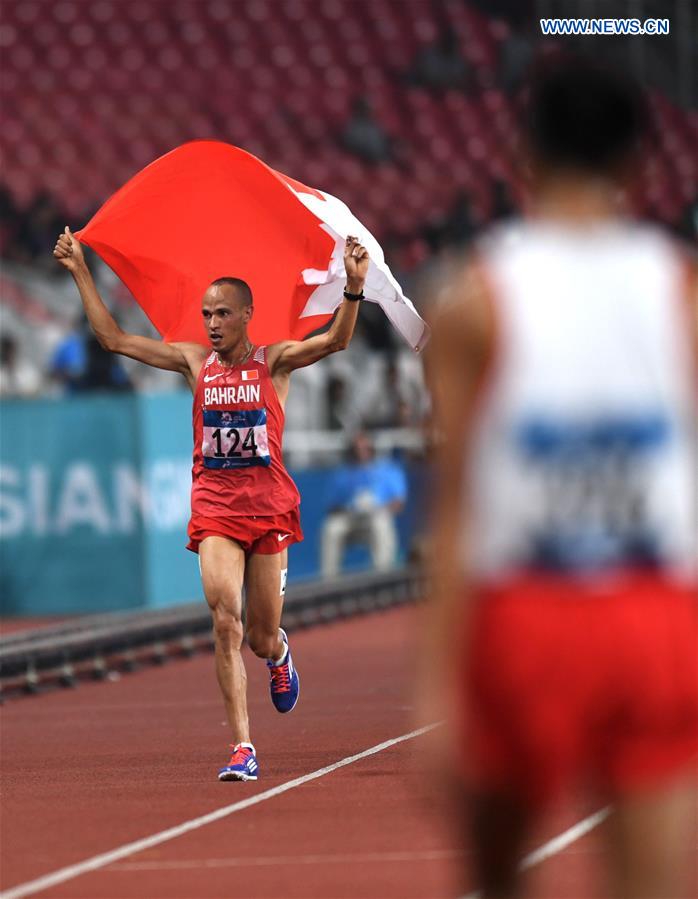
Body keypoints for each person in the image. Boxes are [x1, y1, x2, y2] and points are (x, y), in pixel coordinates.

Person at [424, 58, 697, 899]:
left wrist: (433, 685)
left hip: (525, 613)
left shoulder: (471, 299)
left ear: (519, 154)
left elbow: (456, 512)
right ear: (640, 165)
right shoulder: (684, 295)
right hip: (653, 609)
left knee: (498, 881)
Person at [54, 227, 369, 781]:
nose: (212, 323)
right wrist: (82, 268)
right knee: (226, 620)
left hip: (268, 507)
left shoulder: (276, 364)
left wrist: (354, 288)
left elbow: (336, 341)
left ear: (248, 314)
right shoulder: (193, 363)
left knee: (260, 634)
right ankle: (243, 748)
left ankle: (278, 653)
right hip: (216, 508)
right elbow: (113, 340)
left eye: (222, 313)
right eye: (206, 314)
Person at [320, 431, 406, 577]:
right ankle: (329, 581)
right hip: (351, 519)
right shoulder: (344, 473)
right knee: (332, 528)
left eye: (365, 448)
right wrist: (349, 508)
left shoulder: (387, 470)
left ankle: (382, 578)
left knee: (382, 523)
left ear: (372, 449)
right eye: (357, 449)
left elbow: (399, 502)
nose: (361, 452)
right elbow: (331, 507)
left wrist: (378, 508)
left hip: (376, 516)